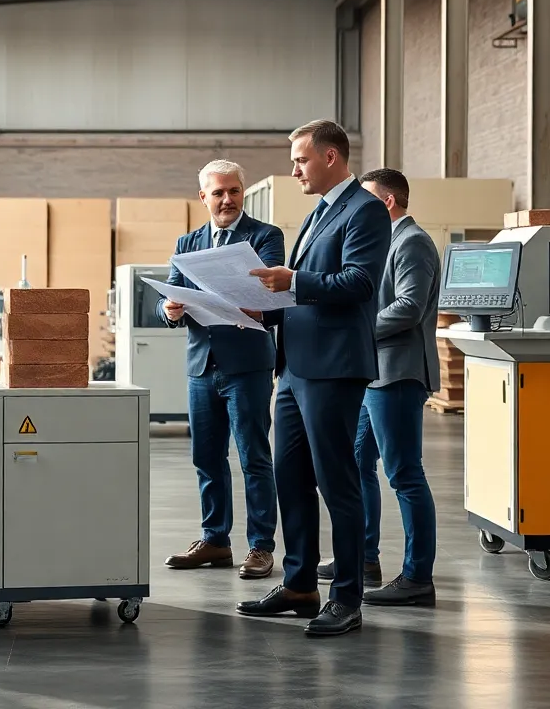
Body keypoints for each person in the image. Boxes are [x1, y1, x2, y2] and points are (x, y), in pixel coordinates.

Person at [236, 120, 391, 637]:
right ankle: (300, 584)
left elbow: (360, 282)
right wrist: (261, 310)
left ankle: (347, 597)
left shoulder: (365, 209)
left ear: (330, 157)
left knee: (336, 482)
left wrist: (293, 280)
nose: (294, 170)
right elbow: (300, 296)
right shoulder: (318, 213)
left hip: (333, 367)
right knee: (291, 478)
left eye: (300, 160)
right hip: (295, 367)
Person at [316, 168, 440, 606]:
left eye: (366, 201)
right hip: (374, 372)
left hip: (399, 374)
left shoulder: (412, 242)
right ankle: (364, 556)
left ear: (387, 201)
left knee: (405, 473)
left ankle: (418, 576)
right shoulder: (386, 242)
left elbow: (408, 307)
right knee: (357, 462)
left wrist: (357, 328)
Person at [158, 159, 285, 580]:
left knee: (253, 457)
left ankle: (261, 546)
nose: (227, 199)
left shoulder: (265, 236)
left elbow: (272, 297)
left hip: (247, 365)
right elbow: (170, 297)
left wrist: (247, 300)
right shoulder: (187, 242)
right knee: (206, 458)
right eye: (218, 193)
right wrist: (169, 309)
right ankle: (215, 540)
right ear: (204, 197)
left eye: (234, 191)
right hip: (202, 364)